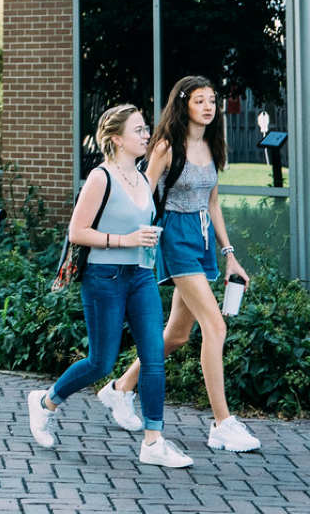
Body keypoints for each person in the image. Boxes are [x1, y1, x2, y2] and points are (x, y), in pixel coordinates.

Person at [100, 76, 262, 453]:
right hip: (174, 237)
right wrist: (129, 243)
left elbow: (213, 203)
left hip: (202, 239)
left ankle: (120, 388)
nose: (208, 107)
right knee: (216, 327)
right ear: (184, 104)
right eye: (200, 101)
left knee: (176, 336)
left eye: (213, 101)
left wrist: (229, 255)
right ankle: (222, 424)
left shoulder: (211, 145)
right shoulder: (165, 146)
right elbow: (141, 194)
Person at [26, 104, 193, 468]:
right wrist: (127, 239)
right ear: (117, 139)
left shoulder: (143, 178)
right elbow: (77, 232)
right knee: (100, 362)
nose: (146, 134)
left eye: (146, 128)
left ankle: (153, 441)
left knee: (153, 359)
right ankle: (45, 402)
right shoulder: (101, 177)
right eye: (138, 130)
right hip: (105, 278)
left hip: (141, 276)